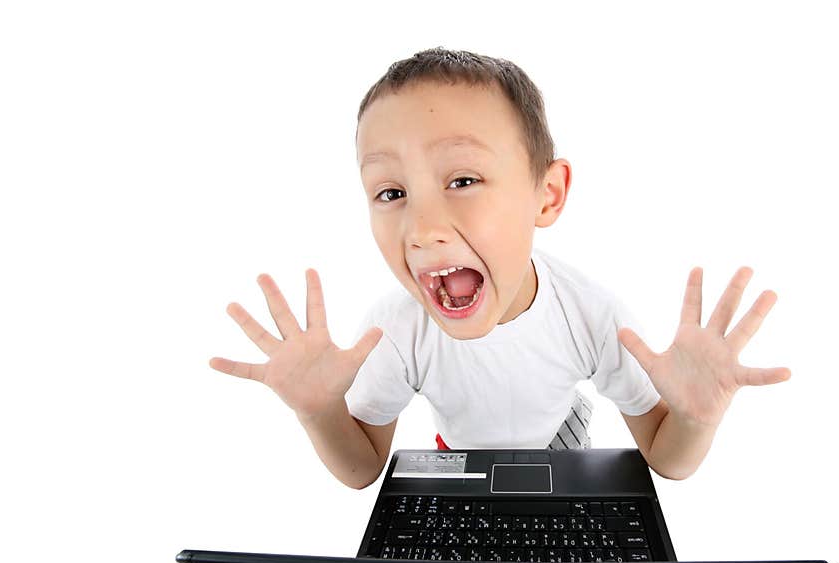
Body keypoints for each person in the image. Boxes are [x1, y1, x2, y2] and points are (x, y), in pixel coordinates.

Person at [209, 47, 791, 490]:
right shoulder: (394, 328)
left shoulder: (590, 313)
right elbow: (362, 469)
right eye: (390, 192)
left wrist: (694, 419)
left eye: (462, 180)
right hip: (460, 465)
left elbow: (669, 459)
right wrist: (319, 413)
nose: (422, 228)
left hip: (562, 452)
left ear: (547, 195)